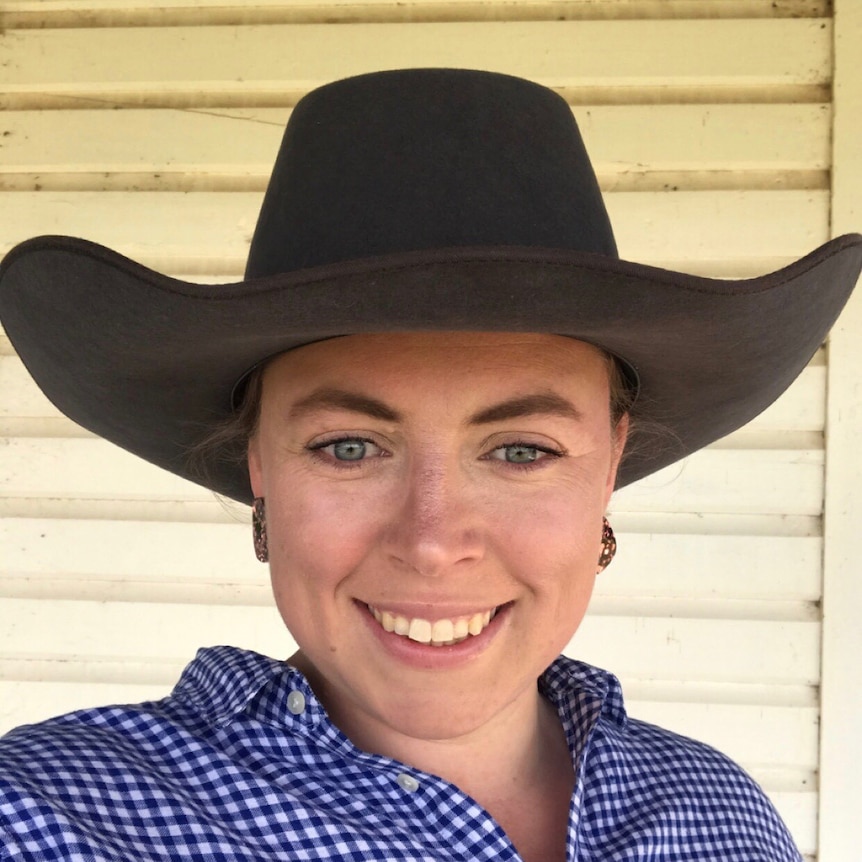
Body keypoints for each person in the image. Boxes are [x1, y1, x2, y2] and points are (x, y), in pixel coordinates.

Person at [0, 68, 860, 862]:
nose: (433, 541)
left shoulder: (718, 817)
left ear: (611, 463)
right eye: (349, 447)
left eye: (522, 450)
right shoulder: (49, 820)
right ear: (258, 461)